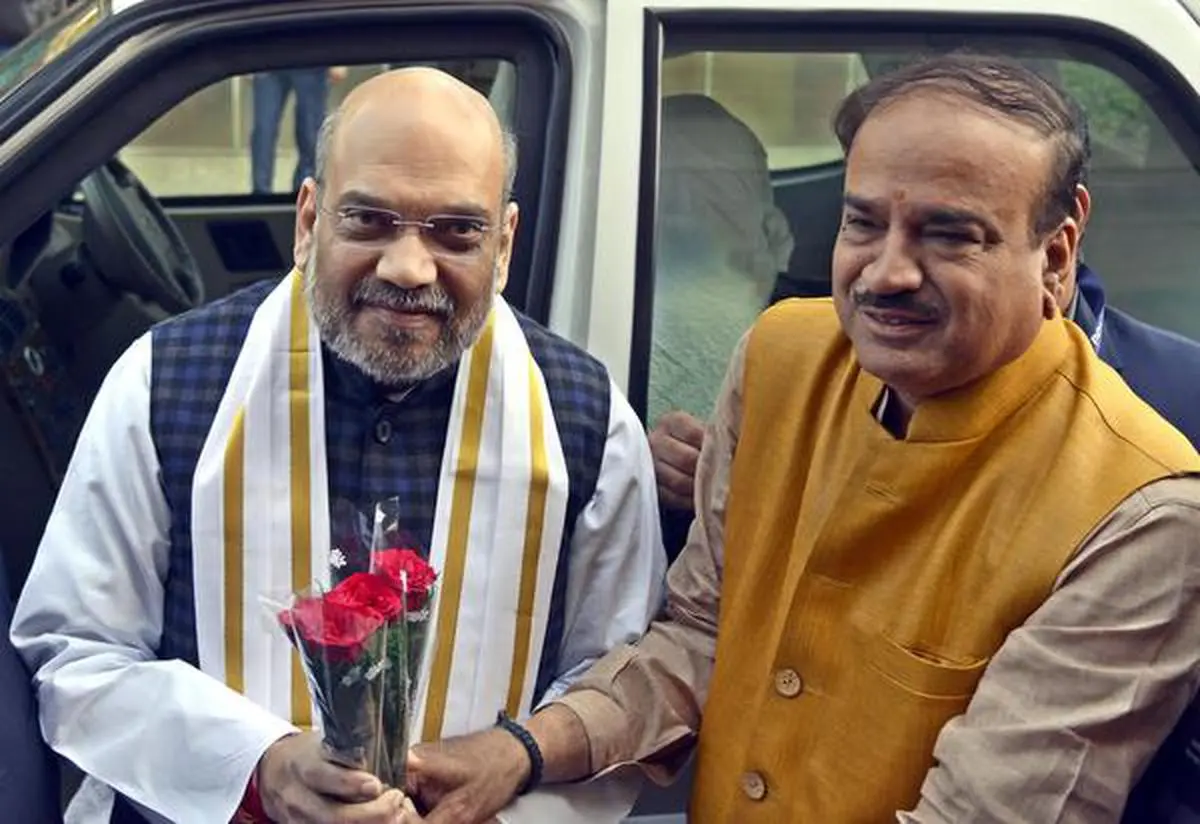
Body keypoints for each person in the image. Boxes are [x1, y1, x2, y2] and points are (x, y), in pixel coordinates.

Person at [404, 53, 1200, 823]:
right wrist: (522, 750)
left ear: (1057, 253)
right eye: (862, 221)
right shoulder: (783, 355)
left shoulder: (1141, 509)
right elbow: (699, 639)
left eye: (949, 235)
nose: (887, 273)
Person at [11, 67, 665, 824]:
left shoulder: (582, 417)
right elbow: (76, 655)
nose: (409, 268)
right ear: (308, 218)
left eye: (457, 231)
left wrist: (514, 761)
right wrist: (258, 766)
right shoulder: (166, 383)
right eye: (370, 221)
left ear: (506, 241)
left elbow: (617, 687)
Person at [250, 66, 348, 195]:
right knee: (263, 131)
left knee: (310, 134)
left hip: (311, 58)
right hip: (268, 58)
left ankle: (303, 192)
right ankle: (260, 193)